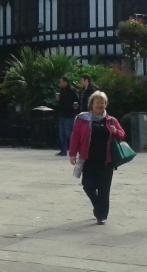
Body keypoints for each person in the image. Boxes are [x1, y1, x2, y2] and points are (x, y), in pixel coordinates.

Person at [68, 91, 125, 225]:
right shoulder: (82, 119)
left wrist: (115, 131)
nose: (100, 105)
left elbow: (122, 134)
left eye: (102, 103)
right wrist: (72, 153)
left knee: (104, 189)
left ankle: (102, 215)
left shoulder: (111, 120)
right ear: (91, 104)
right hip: (88, 159)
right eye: (97, 102)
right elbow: (75, 136)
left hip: (106, 160)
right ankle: (98, 206)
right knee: (87, 186)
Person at [55, 77, 80, 156]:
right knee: (62, 134)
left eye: (61, 82)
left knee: (69, 133)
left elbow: (77, 102)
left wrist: (75, 107)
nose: (60, 84)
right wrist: (57, 100)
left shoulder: (72, 91)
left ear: (65, 82)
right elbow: (59, 104)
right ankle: (63, 150)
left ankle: (75, 149)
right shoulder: (61, 92)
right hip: (62, 115)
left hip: (69, 115)